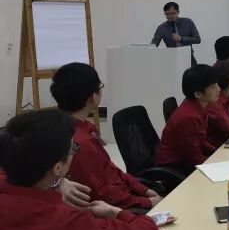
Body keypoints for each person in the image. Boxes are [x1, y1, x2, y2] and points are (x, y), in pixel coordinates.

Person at [0, 109, 166, 230]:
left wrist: (58, 181)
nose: (74, 151)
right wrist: (116, 212)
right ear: (58, 167)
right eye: (73, 148)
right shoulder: (63, 223)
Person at [50, 63, 161, 211]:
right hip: (118, 208)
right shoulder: (80, 143)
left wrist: (143, 190)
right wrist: (147, 202)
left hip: (124, 197)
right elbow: (103, 195)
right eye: (100, 87)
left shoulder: (83, 128)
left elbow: (110, 168)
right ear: (92, 97)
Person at [156, 65, 220, 175]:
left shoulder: (197, 106)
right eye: (213, 87)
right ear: (198, 94)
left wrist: (216, 151)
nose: (219, 89)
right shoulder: (189, 118)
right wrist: (219, 163)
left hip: (184, 160)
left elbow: (200, 141)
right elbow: (194, 159)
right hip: (173, 168)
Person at [151, 2, 201, 66]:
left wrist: (181, 39)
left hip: (189, 58)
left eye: (172, 13)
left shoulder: (188, 22)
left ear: (178, 12)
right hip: (171, 59)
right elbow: (154, 45)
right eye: (167, 14)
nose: (169, 16)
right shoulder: (161, 28)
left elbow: (197, 39)